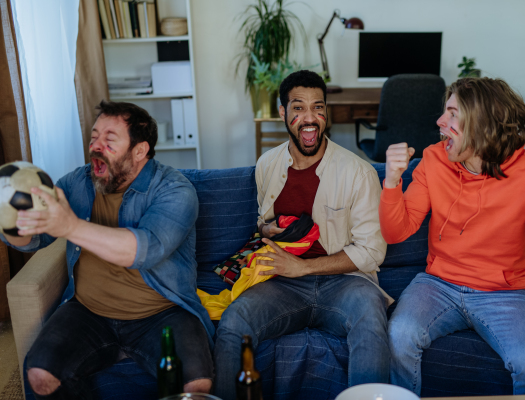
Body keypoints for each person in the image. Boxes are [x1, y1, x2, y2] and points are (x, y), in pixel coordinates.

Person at [380, 77, 525, 399]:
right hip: (438, 284)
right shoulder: (434, 160)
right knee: (398, 335)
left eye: (452, 114)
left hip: (506, 294)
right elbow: (396, 231)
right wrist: (392, 181)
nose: (439, 121)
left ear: (482, 124)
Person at [1, 101, 214, 399]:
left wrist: (70, 226)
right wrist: (13, 222)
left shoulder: (175, 189)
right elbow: (35, 240)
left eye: (109, 140)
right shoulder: (75, 183)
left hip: (163, 311)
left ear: (140, 151)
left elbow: (144, 250)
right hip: (89, 310)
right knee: (39, 375)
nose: (96, 146)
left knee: (196, 387)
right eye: (93, 137)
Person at [213, 70, 393, 399]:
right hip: (283, 284)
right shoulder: (267, 164)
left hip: (345, 282)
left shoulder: (359, 172)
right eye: (298, 108)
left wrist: (306, 268)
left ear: (327, 113)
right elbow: (261, 221)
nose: (310, 118)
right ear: (282, 113)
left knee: (371, 312)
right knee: (234, 321)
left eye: (318, 107)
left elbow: (372, 252)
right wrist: (268, 229)